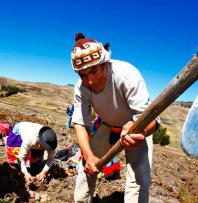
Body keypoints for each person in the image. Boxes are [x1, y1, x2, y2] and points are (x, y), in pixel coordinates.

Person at [70, 33, 159, 202]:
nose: (89, 80)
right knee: (87, 167)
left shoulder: (127, 75)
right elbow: (80, 124)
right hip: (107, 124)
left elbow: (152, 121)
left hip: (136, 127)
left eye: (93, 70)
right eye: (82, 75)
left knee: (139, 179)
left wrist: (140, 131)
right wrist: (89, 156)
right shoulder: (81, 88)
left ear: (106, 62)